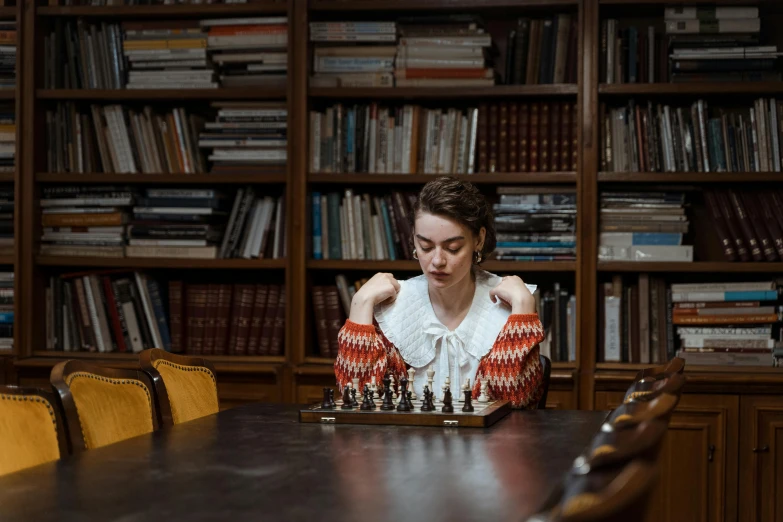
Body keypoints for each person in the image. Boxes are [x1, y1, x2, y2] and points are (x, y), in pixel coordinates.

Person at [333, 177, 545, 409]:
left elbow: (515, 404)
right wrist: (360, 304)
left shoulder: (511, 307)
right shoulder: (390, 310)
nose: (437, 261)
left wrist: (524, 308)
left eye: (452, 248)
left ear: (479, 240)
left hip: (486, 445)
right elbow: (359, 402)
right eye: (425, 246)